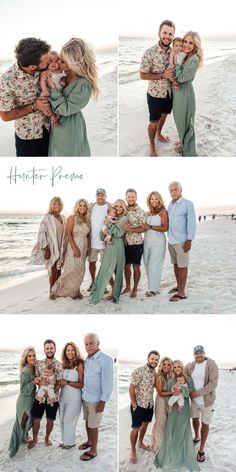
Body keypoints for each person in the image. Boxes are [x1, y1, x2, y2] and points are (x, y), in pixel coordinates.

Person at [45, 37, 99, 156]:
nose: (58, 63)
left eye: (62, 61)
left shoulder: (83, 84)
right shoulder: (63, 75)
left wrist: (53, 88)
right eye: (59, 59)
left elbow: (66, 109)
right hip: (56, 124)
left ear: (73, 63)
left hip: (70, 126)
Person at [0, 37, 51, 156]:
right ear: (33, 66)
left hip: (51, 128)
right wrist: (34, 106)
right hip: (28, 137)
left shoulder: (44, 68)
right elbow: (5, 116)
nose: (50, 63)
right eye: (47, 62)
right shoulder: (7, 82)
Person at [154, 360, 200, 471]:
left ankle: (181, 452)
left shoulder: (188, 378)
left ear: (182, 367)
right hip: (173, 409)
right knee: (172, 429)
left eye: (179, 366)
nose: (177, 369)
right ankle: (171, 452)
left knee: (183, 429)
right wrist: (171, 398)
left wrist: (182, 390)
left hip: (183, 408)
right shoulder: (171, 379)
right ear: (173, 369)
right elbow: (167, 394)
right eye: (174, 367)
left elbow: (191, 391)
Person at [140, 20, 175, 156]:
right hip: (154, 95)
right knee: (153, 122)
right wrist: (162, 75)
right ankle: (152, 144)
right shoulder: (149, 52)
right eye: (165, 33)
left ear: (173, 35)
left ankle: (159, 134)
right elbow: (142, 75)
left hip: (169, 94)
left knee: (164, 116)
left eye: (170, 34)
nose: (167, 36)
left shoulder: (174, 52)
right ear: (159, 33)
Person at [79, 333, 113, 461]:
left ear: (98, 343)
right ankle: (89, 442)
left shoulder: (106, 359)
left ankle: (93, 450)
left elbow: (107, 382)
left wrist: (103, 401)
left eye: (91, 343)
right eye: (86, 344)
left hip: (96, 400)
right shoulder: (87, 359)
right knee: (88, 422)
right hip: (86, 397)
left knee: (93, 425)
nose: (88, 346)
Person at [50, 199, 91, 300]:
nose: (82, 207)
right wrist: (74, 248)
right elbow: (68, 233)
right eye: (80, 205)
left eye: (84, 206)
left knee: (80, 270)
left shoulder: (88, 219)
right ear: (77, 207)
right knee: (70, 269)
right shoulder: (72, 218)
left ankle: (76, 291)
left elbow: (89, 235)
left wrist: (89, 247)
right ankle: (56, 290)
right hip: (74, 246)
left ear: (87, 208)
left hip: (84, 246)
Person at [90, 199, 128, 304]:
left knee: (118, 271)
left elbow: (119, 233)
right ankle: (98, 292)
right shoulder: (110, 217)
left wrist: (109, 224)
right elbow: (102, 236)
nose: (118, 208)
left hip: (118, 246)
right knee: (105, 269)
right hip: (109, 247)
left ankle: (116, 295)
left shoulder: (124, 218)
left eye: (121, 206)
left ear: (123, 208)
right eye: (116, 206)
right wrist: (105, 226)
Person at [185, 345, 219, 463]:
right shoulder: (190, 365)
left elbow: (213, 384)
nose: (198, 355)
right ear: (194, 354)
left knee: (205, 423)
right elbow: (181, 375)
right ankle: (196, 436)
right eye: (196, 353)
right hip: (194, 401)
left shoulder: (212, 365)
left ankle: (201, 449)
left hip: (207, 402)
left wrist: (198, 393)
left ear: (204, 353)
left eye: (201, 352)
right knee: (195, 419)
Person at [28, 339, 63, 449]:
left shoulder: (59, 365)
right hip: (40, 397)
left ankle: (47, 438)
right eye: (47, 348)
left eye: (51, 348)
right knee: (36, 419)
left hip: (53, 397)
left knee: (50, 420)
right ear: (44, 349)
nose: (49, 350)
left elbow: (60, 382)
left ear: (55, 349)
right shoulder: (38, 363)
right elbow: (36, 378)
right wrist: (39, 381)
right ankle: (34, 439)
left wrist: (52, 393)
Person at [173, 32, 203, 156]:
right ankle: (182, 141)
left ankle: (187, 149)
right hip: (179, 92)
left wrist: (178, 64)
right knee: (180, 119)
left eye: (191, 42)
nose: (186, 44)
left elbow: (181, 77)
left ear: (195, 45)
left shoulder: (194, 59)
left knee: (185, 121)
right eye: (185, 41)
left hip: (185, 93)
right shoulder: (186, 56)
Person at [31, 197, 67, 298]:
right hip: (51, 247)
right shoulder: (47, 218)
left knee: (59, 268)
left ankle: (57, 289)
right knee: (53, 269)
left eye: (59, 204)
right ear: (51, 205)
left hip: (61, 247)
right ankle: (51, 291)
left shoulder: (63, 218)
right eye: (55, 204)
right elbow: (41, 234)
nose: (57, 206)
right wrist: (46, 248)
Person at [129, 351, 160, 464]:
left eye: (156, 360)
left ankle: (140, 443)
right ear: (148, 358)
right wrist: (133, 402)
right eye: (152, 359)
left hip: (149, 405)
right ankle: (133, 451)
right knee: (135, 428)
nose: (154, 361)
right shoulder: (139, 371)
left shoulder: (155, 373)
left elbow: (157, 386)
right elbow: (132, 387)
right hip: (139, 405)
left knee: (145, 425)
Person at [168, 181, 196, 301]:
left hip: (182, 241)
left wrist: (189, 239)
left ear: (180, 190)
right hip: (171, 241)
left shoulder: (187, 204)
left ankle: (182, 293)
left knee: (183, 265)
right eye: (171, 190)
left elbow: (191, 222)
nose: (173, 192)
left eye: (175, 189)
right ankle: (179, 286)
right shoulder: (170, 205)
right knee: (175, 264)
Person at [9, 347, 36, 457]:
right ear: (26, 358)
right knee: (22, 422)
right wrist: (34, 381)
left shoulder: (33, 368)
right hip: (24, 400)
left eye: (34, 355)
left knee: (28, 420)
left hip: (30, 399)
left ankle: (23, 437)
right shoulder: (25, 371)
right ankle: (16, 442)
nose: (32, 357)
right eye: (29, 356)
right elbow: (23, 390)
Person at [143, 191, 168, 296]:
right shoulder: (148, 213)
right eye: (152, 199)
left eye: (156, 199)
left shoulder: (163, 212)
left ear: (159, 200)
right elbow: (143, 227)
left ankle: (153, 290)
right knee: (147, 263)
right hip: (147, 240)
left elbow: (165, 228)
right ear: (149, 200)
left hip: (158, 241)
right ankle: (152, 287)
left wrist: (151, 227)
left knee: (154, 264)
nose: (154, 201)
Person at [59, 342, 84, 449]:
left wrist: (67, 382)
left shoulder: (79, 365)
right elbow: (59, 381)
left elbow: (81, 384)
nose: (70, 352)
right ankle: (65, 441)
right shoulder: (63, 365)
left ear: (76, 351)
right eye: (68, 350)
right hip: (63, 395)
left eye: (72, 350)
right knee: (61, 418)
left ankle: (70, 443)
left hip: (75, 396)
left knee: (69, 419)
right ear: (65, 352)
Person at [122, 189, 146, 298]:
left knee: (136, 266)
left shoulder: (140, 211)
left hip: (137, 243)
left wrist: (130, 228)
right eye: (129, 196)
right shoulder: (123, 210)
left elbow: (144, 229)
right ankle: (127, 286)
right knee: (126, 266)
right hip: (124, 243)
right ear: (126, 198)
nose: (130, 198)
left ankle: (135, 288)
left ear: (136, 198)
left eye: (132, 196)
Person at [88, 189, 109, 291]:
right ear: (96, 196)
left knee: (104, 264)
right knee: (92, 263)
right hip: (92, 242)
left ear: (106, 196)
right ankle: (93, 282)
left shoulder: (110, 206)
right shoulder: (90, 207)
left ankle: (102, 284)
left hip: (105, 242)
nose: (100, 197)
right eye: (98, 195)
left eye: (102, 195)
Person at [151, 357, 173, 453]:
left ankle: (166, 444)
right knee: (161, 423)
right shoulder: (159, 377)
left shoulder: (170, 376)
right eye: (164, 364)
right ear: (161, 365)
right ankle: (158, 447)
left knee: (167, 423)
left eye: (168, 364)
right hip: (160, 401)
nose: (166, 366)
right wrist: (171, 392)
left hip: (169, 402)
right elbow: (160, 393)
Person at [40, 51, 67, 127]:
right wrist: (44, 89)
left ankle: (56, 119)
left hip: (58, 93)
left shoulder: (61, 71)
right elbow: (43, 81)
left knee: (57, 107)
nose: (53, 63)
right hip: (48, 92)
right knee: (46, 104)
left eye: (56, 61)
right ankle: (52, 116)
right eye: (51, 61)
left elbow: (64, 76)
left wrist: (63, 81)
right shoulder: (47, 72)